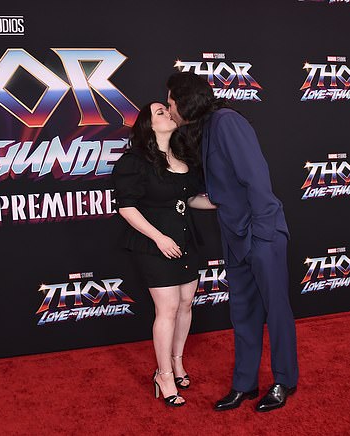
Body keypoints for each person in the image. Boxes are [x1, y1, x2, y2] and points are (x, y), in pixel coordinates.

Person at [166, 72, 299, 412]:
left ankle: (285, 380)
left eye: (170, 102)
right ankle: (245, 384)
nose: (168, 108)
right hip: (234, 236)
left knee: (276, 311)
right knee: (242, 313)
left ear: (185, 101)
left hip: (260, 233)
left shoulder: (226, 122)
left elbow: (257, 179)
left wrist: (263, 234)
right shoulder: (202, 131)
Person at [111, 101, 216, 407]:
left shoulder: (183, 156)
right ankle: (164, 375)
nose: (167, 113)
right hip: (154, 246)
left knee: (185, 304)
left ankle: (178, 361)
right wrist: (159, 238)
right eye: (160, 112)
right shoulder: (134, 162)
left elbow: (190, 199)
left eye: (167, 110)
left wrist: (224, 203)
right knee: (167, 309)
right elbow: (126, 207)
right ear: (147, 125)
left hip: (186, 241)